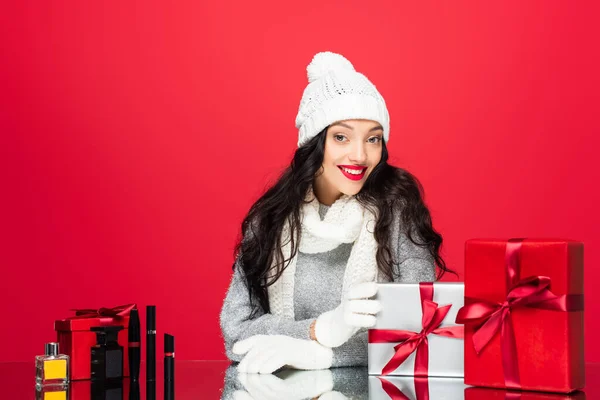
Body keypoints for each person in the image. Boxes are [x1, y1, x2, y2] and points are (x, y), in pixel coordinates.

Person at [219, 51, 453, 374]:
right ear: (316, 143)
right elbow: (236, 331)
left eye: (373, 139)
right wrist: (320, 329)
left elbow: (419, 331)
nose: (359, 155)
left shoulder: (399, 211)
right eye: (341, 137)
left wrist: (320, 355)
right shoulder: (271, 219)